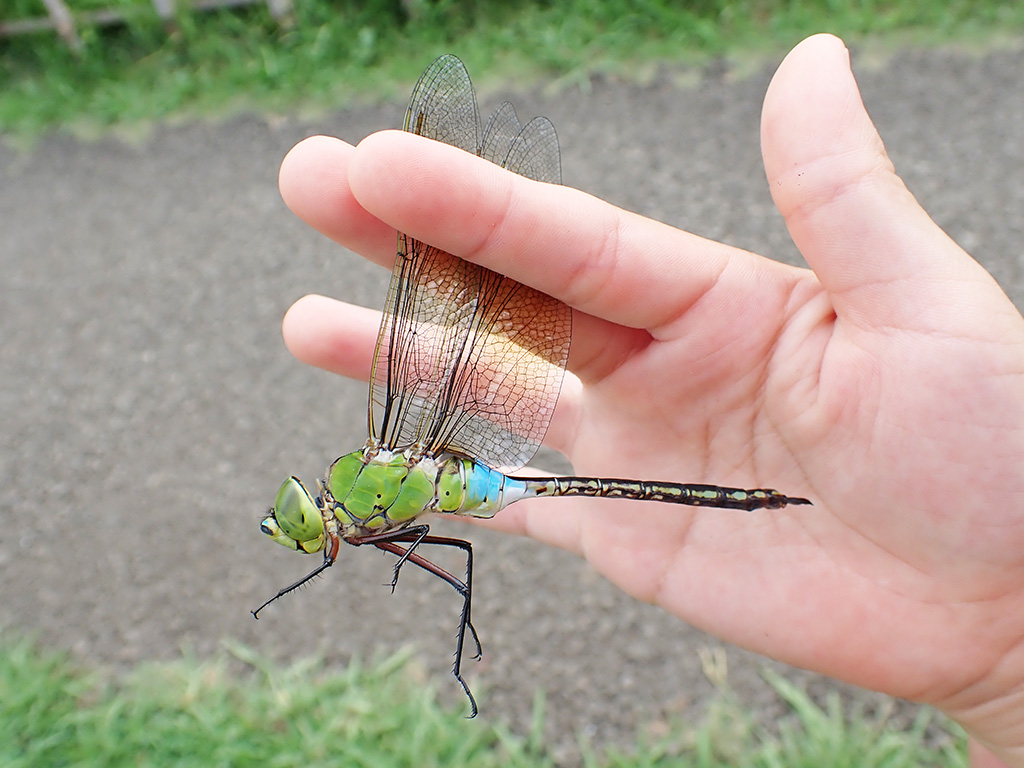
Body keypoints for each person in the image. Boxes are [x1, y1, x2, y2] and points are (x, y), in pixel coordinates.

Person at [275, 34, 1024, 768]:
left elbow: (427, 550)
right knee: (455, 556)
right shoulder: (373, 505)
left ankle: (753, 505)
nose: (316, 531)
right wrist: (1005, 678)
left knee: (457, 556)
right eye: (310, 529)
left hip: (463, 477)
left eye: (311, 526)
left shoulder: (370, 500)